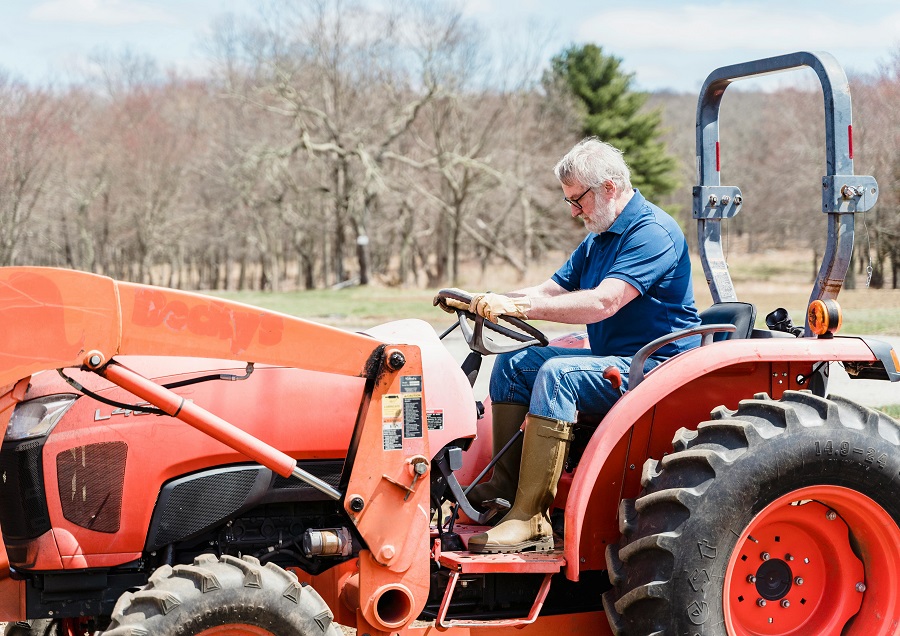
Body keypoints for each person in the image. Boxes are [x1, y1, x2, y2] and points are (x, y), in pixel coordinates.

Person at [438, 137, 700, 553]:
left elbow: (603, 302)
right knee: (516, 364)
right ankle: (504, 487)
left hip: (656, 366)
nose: (575, 212)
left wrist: (522, 309)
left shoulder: (653, 232)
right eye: (570, 202)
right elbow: (550, 290)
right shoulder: (599, 236)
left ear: (609, 188)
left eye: (579, 200)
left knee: (557, 374)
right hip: (613, 358)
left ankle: (531, 517)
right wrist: (488, 303)